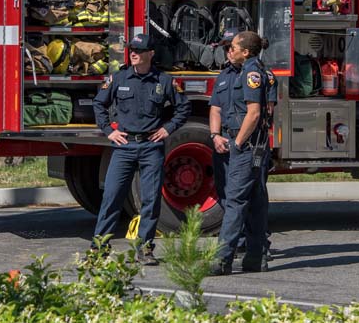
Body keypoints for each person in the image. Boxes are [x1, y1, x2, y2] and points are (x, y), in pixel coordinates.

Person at [91, 33, 191, 265]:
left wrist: (168, 129)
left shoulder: (164, 81)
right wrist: (109, 131)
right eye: (131, 50)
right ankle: (99, 247)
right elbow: (99, 104)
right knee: (111, 197)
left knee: (150, 199)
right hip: (124, 146)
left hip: (151, 146)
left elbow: (183, 107)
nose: (133, 54)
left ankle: (145, 248)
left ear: (150, 54)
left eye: (138, 50)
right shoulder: (119, 78)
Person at [209, 31, 273, 275]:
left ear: (246, 52)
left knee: (235, 200)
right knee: (254, 201)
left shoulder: (252, 73)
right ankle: (256, 257)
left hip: (246, 145)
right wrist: (216, 135)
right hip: (234, 142)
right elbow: (215, 107)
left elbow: (254, 113)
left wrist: (236, 142)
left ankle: (221, 259)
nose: (229, 51)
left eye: (233, 47)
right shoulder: (228, 74)